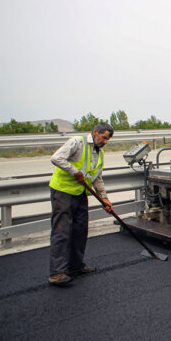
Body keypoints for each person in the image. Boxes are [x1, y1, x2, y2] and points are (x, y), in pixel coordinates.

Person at [47, 122, 114, 286]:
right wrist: (74, 172)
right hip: (63, 192)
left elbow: (96, 177)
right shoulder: (77, 142)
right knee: (61, 232)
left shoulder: (100, 154)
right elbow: (56, 158)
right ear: (95, 132)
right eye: (104, 137)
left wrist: (104, 198)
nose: (105, 141)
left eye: (108, 139)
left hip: (81, 194)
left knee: (80, 230)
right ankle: (57, 273)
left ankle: (75, 266)